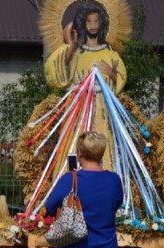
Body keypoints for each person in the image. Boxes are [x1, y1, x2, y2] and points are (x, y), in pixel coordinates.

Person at [45, 1, 127, 173]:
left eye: (97, 21)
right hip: (79, 109)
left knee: (102, 144)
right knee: (75, 144)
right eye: (89, 21)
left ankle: (104, 177)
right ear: (83, 24)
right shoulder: (77, 53)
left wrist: (110, 72)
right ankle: (71, 182)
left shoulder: (110, 54)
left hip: (103, 111)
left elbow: (120, 77)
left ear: (102, 24)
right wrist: (70, 44)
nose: (93, 25)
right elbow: (56, 70)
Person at [45, 131, 123, 248]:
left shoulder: (69, 180)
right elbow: (116, 205)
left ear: (79, 153)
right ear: (101, 153)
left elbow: (50, 208)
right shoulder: (114, 180)